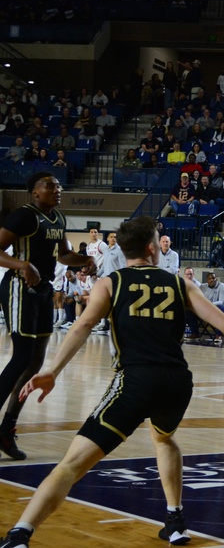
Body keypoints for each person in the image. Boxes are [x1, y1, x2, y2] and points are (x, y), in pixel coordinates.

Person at [0, 216, 224, 548]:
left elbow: (83, 326)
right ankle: (175, 521)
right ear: (151, 247)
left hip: (135, 381)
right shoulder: (180, 283)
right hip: (177, 383)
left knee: (71, 465)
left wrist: (52, 371)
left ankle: (21, 532)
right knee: (164, 439)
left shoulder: (110, 283)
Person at [0, 173, 96, 460]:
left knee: (36, 363)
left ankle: (7, 429)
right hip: (20, 288)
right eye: (50, 186)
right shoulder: (23, 216)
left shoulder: (58, 218)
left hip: (44, 291)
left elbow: (64, 255)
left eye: (59, 186)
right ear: (34, 192)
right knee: (21, 357)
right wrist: (22, 264)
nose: (57, 190)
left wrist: (85, 260)